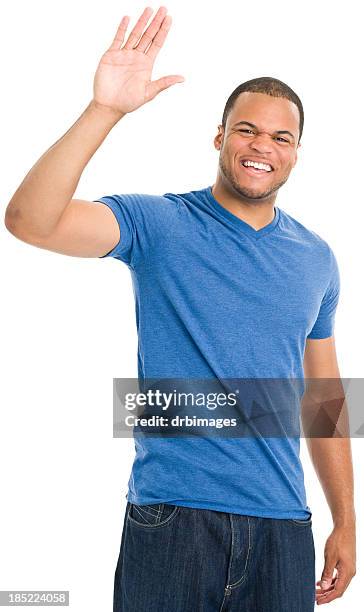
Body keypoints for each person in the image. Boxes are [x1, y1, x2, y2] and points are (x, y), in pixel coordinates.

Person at [4, 5, 356, 611]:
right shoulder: (160, 223)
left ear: (297, 152)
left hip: (282, 524)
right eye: (247, 129)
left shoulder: (316, 258)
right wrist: (104, 110)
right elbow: (30, 222)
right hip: (173, 521)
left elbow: (322, 395)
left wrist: (346, 519)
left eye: (281, 136)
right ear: (220, 137)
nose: (261, 147)